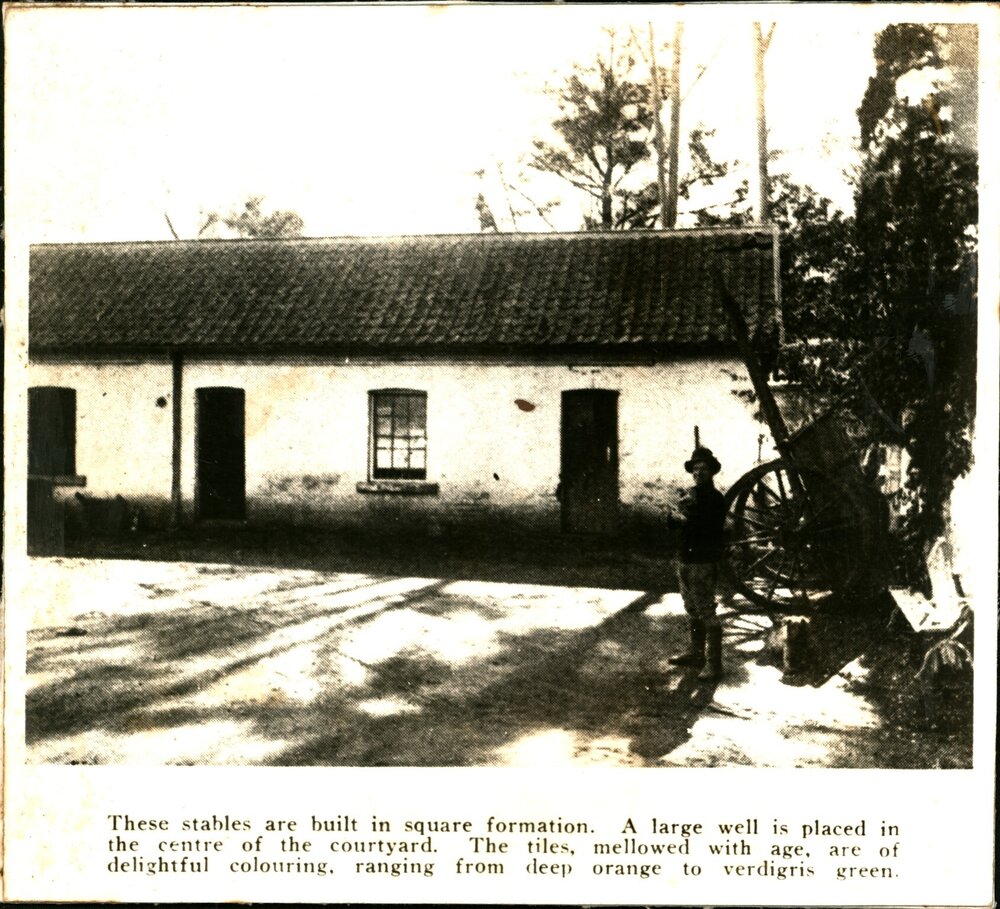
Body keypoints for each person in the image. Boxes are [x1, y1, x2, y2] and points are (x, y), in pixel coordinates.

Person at [667, 446, 728, 680]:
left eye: (704, 469)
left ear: (712, 472)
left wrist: (685, 520)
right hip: (685, 559)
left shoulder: (715, 499)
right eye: (696, 468)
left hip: (703, 562)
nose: (699, 473)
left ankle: (714, 665)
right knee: (692, 609)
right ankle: (696, 654)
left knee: (706, 611)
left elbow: (708, 530)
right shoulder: (690, 495)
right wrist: (673, 517)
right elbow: (675, 523)